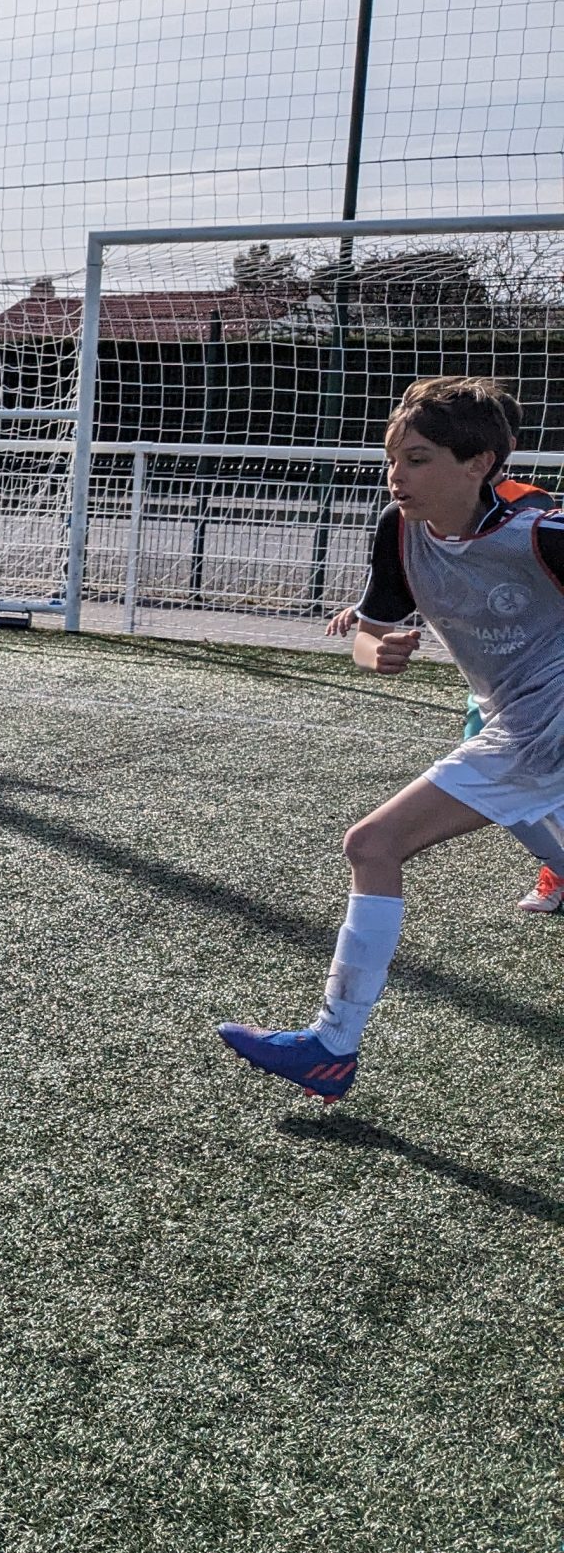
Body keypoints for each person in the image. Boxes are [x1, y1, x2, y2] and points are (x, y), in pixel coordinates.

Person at [221, 377, 564, 1099]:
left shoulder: (541, 534)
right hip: (513, 719)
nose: (396, 475)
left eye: (418, 459)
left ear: (479, 463)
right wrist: (378, 651)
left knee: (372, 844)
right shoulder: (399, 530)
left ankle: (330, 1046)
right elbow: (369, 636)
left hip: (546, 728)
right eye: (393, 459)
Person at [323, 603, 560, 913]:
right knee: (494, 777)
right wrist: (369, 620)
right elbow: (369, 637)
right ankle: (558, 867)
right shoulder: (416, 569)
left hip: (551, 681)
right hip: (498, 691)